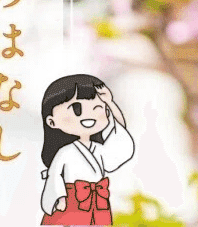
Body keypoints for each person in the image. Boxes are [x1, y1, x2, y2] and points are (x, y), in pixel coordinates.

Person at [39, 74, 134, 225]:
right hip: (72, 203)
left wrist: (110, 102)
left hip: (98, 205)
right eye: (77, 109)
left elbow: (120, 139)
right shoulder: (65, 152)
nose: (88, 116)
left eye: (97, 108)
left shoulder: (99, 150)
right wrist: (59, 198)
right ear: (52, 121)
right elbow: (54, 175)